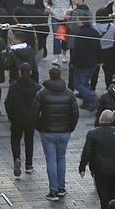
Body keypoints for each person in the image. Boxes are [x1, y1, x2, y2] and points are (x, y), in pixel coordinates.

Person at [30, 67, 79, 201]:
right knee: (61, 158)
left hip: (47, 131)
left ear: (50, 77)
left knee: (51, 160)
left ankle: (53, 191)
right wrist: (70, 127)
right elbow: (75, 113)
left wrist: (39, 126)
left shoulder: (42, 93)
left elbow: (35, 112)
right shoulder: (69, 93)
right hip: (64, 131)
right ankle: (62, 188)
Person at [80, 110, 115, 209]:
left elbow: (87, 151)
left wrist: (82, 167)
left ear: (101, 119)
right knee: (113, 192)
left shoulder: (93, 133)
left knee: (103, 192)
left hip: (99, 169)